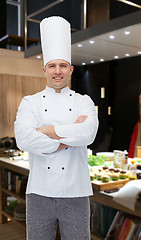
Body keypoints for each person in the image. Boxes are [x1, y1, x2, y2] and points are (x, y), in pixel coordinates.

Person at [14, 16, 98, 240]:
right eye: (52, 66)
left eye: (62, 66)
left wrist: (46, 131)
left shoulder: (84, 101)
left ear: (71, 69)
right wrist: (69, 136)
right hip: (39, 193)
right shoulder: (29, 102)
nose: (57, 71)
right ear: (44, 69)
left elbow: (88, 134)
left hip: (77, 193)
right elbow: (23, 140)